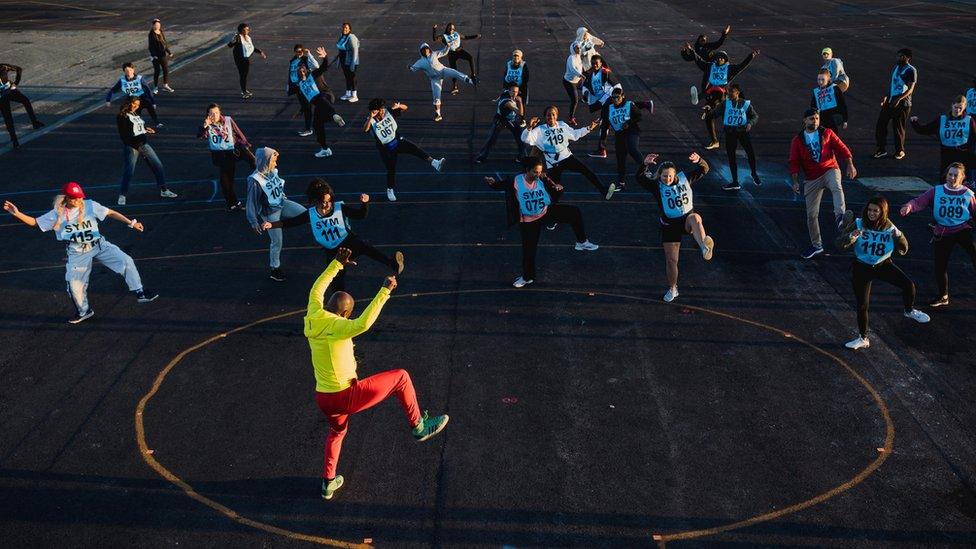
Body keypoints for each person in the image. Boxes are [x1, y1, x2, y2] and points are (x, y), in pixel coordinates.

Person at [306, 247, 449, 501]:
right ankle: (419, 427)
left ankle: (329, 482)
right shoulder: (340, 326)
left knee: (337, 432)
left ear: (327, 305)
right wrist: (384, 291)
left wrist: (336, 265)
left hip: (324, 397)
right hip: (345, 394)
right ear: (346, 313)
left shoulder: (313, 314)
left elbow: (318, 286)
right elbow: (364, 323)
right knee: (401, 377)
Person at [3, 182, 158, 324]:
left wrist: (132, 223)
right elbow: (35, 222)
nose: (78, 201)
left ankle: (140, 292)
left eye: (80, 198)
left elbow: (110, 213)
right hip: (77, 252)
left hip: (99, 245)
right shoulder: (57, 213)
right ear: (66, 198)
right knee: (74, 285)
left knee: (126, 261)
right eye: (75, 198)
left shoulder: (90, 205)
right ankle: (84, 311)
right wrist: (16, 213)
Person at [264, 178, 405, 293]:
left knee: (365, 247)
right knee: (336, 279)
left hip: (347, 240)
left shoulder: (339, 207)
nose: (327, 205)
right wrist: (272, 224)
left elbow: (360, 215)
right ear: (316, 201)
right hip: (332, 249)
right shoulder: (311, 214)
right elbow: (292, 222)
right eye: (323, 202)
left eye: (329, 201)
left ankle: (391, 263)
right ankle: (339, 308)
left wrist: (364, 204)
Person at [484, 157, 599, 288]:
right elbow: (500, 185)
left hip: (545, 212)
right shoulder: (516, 181)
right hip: (528, 221)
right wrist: (492, 183)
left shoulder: (542, 179)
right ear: (527, 170)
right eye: (535, 172)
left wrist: (559, 189)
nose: (538, 175)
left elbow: (555, 193)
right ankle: (527, 277)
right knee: (529, 251)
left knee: (574, 212)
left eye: (539, 171)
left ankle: (581, 242)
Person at [836, 196, 929, 350]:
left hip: (882, 264)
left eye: (876, 211)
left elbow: (904, 249)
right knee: (862, 305)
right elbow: (839, 243)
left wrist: (899, 237)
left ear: (883, 212)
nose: (872, 213)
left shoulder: (890, 227)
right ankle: (863, 338)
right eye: (870, 210)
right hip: (862, 267)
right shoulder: (859, 223)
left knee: (909, 285)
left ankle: (909, 310)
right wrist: (850, 238)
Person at [636, 152, 713, 302]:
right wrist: (644, 164)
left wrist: (699, 160)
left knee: (695, 217)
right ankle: (673, 288)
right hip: (669, 226)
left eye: (670, 176)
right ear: (660, 175)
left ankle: (704, 247)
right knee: (672, 261)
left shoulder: (685, 179)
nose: (667, 179)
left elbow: (705, 169)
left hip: (686, 221)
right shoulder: (656, 186)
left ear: (675, 174)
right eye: (664, 176)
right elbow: (638, 178)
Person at [899, 162, 976, 307]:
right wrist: (909, 207)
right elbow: (919, 202)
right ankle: (943, 296)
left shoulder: (968, 194)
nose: (952, 178)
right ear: (946, 175)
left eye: (956, 175)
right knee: (940, 265)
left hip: (963, 230)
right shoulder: (937, 191)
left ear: (962, 178)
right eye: (950, 174)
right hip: (943, 232)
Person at [789, 109, 857, 259]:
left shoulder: (827, 133)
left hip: (829, 168)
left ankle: (840, 219)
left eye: (817, 118)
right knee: (811, 215)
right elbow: (794, 162)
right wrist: (795, 182)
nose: (815, 121)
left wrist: (850, 164)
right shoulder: (797, 140)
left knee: (837, 187)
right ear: (804, 121)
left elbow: (842, 148)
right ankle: (816, 245)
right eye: (812, 119)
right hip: (812, 178)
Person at [521, 105, 615, 199]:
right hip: (553, 164)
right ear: (545, 117)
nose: (551, 117)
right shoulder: (540, 130)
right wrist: (529, 127)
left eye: (553, 114)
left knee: (587, 172)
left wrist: (589, 128)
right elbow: (525, 138)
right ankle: (551, 209)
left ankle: (604, 191)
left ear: (557, 115)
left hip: (567, 157)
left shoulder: (562, 125)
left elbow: (575, 134)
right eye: (548, 115)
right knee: (555, 190)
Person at [363, 98, 445, 202]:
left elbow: (405, 108)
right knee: (391, 169)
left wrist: (398, 106)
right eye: (381, 109)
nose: (383, 110)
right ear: (375, 110)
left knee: (415, 149)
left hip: (397, 141)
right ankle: (390, 190)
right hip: (386, 149)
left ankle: (435, 163)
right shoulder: (371, 120)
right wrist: (371, 117)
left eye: (383, 108)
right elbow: (365, 129)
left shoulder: (389, 111)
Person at [245, 147, 305, 281]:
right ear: (266, 161)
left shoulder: (272, 171)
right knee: (277, 241)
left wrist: (283, 196)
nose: (276, 164)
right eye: (273, 161)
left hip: (282, 203)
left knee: (306, 214)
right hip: (270, 213)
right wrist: (253, 221)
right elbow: (251, 202)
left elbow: (277, 186)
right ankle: (274, 268)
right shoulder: (255, 180)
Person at [688, 47, 760, 150]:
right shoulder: (710, 67)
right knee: (709, 116)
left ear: (725, 60)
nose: (719, 59)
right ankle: (714, 141)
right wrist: (692, 51)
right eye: (718, 57)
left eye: (722, 58)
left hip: (723, 97)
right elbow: (700, 61)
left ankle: (707, 105)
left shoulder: (729, 69)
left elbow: (741, 66)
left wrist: (751, 56)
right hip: (712, 93)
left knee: (724, 115)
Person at [116, 96, 175, 205]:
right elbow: (124, 135)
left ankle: (164, 190)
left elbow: (137, 128)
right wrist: (136, 145)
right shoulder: (121, 116)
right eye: (134, 104)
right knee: (129, 171)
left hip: (144, 144)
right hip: (132, 147)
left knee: (158, 166)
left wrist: (145, 129)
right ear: (129, 103)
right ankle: (122, 195)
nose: (136, 106)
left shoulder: (135, 114)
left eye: (138, 105)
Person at [197, 103, 254, 211]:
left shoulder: (228, 120)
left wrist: (246, 144)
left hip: (235, 149)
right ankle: (233, 203)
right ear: (207, 115)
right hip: (221, 155)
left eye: (216, 113)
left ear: (220, 113)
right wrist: (205, 126)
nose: (214, 115)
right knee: (226, 180)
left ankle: (267, 182)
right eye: (211, 114)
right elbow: (200, 136)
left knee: (254, 161)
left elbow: (238, 132)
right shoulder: (207, 126)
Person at [295, 47, 346, 158]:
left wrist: (325, 57)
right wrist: (301, 111)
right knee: (317, 125)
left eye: (303, 70)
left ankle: (335, 115)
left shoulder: (314, 74)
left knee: (321, 98)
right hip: (320, 105)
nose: (302, 72)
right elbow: (306, 101)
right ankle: (325, 149)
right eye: (300, 72)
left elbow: (324, 67)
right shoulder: (301, 86)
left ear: (307, 70)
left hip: (327, 97)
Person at [910, 96, 976, 180]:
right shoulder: (942, 120)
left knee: (962, 180)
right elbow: (924, 130)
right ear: (952, 105)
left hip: (964, 155)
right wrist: (915, 123)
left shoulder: (969, 120)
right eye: (956, 107)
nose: (958, 110)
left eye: (960, 108)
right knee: (945, 179)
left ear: (965, 107)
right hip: (947, 156)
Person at [707, 83, 759, 190]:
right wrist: (708, 110)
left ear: (737, 93)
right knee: (731, 157)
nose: (729, 93)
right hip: (730, 133)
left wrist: (750, 123)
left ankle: (754, 173)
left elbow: (755, 116)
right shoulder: (725, 104)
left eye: (732, 91)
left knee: (750, 153)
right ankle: (735, 181)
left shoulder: (745, 104)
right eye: (728, 91)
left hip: (743, 132)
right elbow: (715, 113)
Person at [601, 88, 654, 191]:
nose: (616, 99)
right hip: (619, 135)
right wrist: (603, 140)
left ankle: (646, 169)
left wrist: (628, 123)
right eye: (613, 97)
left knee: (632, 148)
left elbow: (639, 116)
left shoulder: (629, 105)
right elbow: (605, 125)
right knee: (620, 159)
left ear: (623, 96)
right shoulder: (609, 108)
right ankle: (621, 183)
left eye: (618, 97)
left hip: (632, 131)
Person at [409, 42, 476, 121]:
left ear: (429, 49)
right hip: (435, 79)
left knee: (454, 72)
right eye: (423, 50)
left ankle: (470, 81)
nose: (426, 51)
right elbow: (413, 68)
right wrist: (410, 67)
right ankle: (438, 114)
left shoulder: (434, 54)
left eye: (426, 49)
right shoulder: (420, 62)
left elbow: (443, 52)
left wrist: (447, 47)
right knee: (437, 97)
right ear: (421, 51)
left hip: (443, 70)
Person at [873, 48, 917, 160]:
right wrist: (887, 96)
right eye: (898, 56)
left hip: (903, 103)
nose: (898, 58)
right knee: (881, 125)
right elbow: (893, 85)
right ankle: (881, 149)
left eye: (901, 56)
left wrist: (898, 99)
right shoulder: (897, 67)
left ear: (907, 58)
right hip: (891, 100)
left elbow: (910, 89)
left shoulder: (911, 70)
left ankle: (900, 151)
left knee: (898, 127)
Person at [580, 55, 621, 158]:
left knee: (605, 124)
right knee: (607, 124)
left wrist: (616, 99)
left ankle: (602, 150)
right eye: (593, 63)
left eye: (597, 63)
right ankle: (602, 149)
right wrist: (585, 94)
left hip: (609, 101)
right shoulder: (591, 74)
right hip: (603, 102)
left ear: (601, 63)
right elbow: (585, 86)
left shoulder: (605, 72)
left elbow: (617, 86)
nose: (595, 65)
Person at [680, 24, 731, 104]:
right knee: (705, 86)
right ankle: (708, 98)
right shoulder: (697, 49)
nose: (702, 42)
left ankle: (709, 98)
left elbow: (719, 43)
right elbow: (689, 58)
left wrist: (724, 34)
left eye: (704, 40)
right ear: (698, 40)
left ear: (706, 41)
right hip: (705, 67)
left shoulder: (708, 46)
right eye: (701, 40)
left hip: (712, 68)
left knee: (713, 85)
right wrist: (683, 52)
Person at [475, 85, 525, 164]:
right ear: (509, 91)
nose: (514, 93)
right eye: (512, 91)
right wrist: (520, 101)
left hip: (511, 120)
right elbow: (520, 113)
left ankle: (521, 156)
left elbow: (502, 94)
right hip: (501, 120)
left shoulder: (505, 93)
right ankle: (482, 156)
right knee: (491, 139)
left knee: (521, 137)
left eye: (516, 91)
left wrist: (497, 99)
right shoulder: (508, 102)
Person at [0, 62, 43, 148]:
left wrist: (15, 83)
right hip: (1, 97)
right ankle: (14, 140)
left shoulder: (3, 67)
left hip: (10, 90)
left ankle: (34, 122)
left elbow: (19, 69)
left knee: (26, 101)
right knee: (8, 117)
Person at [105, 62, 160, 127]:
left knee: (151, 110)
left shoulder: (139, 78)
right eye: (126, 71)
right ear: (124, 72)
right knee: (136, 115)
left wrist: (153, 102)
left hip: (143, 98)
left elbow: (148, 90)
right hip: (132, 100)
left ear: (133, 70)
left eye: (130, 70)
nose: (128, 72)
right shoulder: (122, 80)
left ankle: (157, 122)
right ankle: (140, 127)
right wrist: (108, 100)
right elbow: (113, 90)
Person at [432, 23, 480, 95]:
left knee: (470, 57)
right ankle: (455, 87)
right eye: (450, 29)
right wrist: (434, 29)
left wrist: (475, 36)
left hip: (459, 51)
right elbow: (434, 39)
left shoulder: (456, 34)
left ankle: (473, 75)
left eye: (453, 29)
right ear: (447, 29)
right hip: (451, 54)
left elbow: (465, 37)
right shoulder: (443, 36)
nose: (451, 30)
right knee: (454, 71)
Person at [287, 44, 319, 137]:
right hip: (297, 87)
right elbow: (290, 73)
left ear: (303, 51)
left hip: (305, 87)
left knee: (307, 108)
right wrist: (289, 85)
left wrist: (309, 55)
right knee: (304, 106)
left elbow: (316, 66)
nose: (299, 53)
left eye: (300, 51)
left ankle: (308, 128)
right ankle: (304, 115)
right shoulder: (292, 60)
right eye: (297, 51)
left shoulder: (305, 59)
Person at [227, 23, 266, 99]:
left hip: (246, 59)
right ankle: (244, 92)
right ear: (242, 30)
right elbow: (229, 46)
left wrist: (260, 52)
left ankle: (244, 89)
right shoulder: (238, 37)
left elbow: (252, 48)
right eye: (246, 29)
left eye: (248, 29)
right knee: (242, 75)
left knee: (245, 75)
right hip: (239, 59)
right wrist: (233, 41)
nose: (248, 30)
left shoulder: (248, 38)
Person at [335, 23, 360, 103]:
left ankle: (354, 95)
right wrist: (338, 61)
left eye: (346, 28)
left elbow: (355, 50)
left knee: (352, 77)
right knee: (347, 77)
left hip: (350, 61)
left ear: (349, 29)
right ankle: (348, 93)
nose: (344, 29)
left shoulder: (351, 37)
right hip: (344, 60)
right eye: (343, 27)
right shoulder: (342, 36)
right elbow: (340, 50)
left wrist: (353, 63)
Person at [148, 19, 174, 93]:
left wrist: (169, 52)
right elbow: (151, 46)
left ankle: (165, 85)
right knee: (157, 71)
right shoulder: (151, 34)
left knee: (165, 70)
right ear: (153, 26)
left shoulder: (161, 32)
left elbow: (164, 43)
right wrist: (153, 55)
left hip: (163, 55)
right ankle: (155, 87)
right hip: (155, 56)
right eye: (156, 25)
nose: (158, 26)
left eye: (159, 25)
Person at [563, 43, 584, 126]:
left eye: (579, 48)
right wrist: (581, 75)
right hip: (569, 83)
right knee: (575, 101)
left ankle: (586, 98)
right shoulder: (571, 58)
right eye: (577, 48)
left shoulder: (578, 56)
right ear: (573, 49)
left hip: (578, 81)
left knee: (588, 87)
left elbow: (580, 66)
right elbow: (572, 69)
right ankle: (570, 118)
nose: (579, 49)